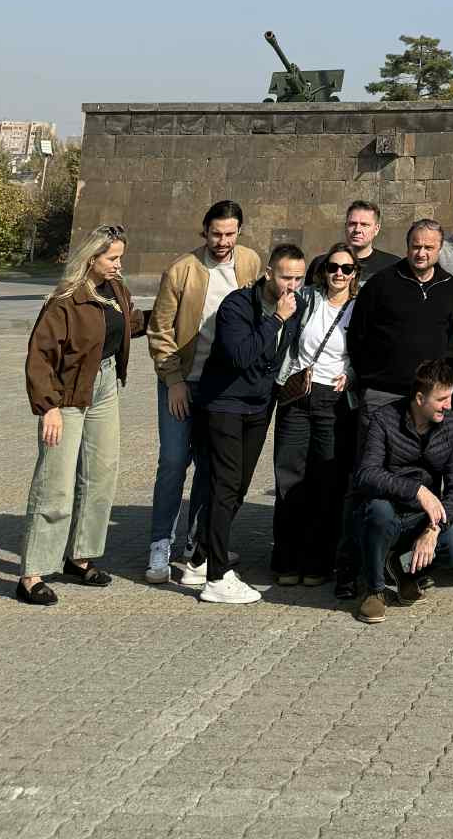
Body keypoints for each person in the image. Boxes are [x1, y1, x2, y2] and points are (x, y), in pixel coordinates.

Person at [18, 223, 146, 607]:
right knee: (55, 483)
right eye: (112, 258)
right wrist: (49, 407)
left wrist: (172, 311)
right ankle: (32, 574)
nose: (118, 265)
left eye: (120, 258)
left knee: (101, 474)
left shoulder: (116, 290)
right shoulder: (64, 301)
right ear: (91, 258)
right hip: (66, 395)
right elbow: (40, 357)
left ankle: (79, 557)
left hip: (104, 388)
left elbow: (129, 324)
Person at [144, 198, 261, 586]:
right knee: (174, 461)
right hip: (181, 381)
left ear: (239, 232)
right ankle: (160, 543)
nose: (222, 241)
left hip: (221, 387)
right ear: (204, 232)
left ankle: (198, 543)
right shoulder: (181, 270)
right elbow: (159, 330)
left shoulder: (250, 263)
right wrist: (174, 380)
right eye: (215, 234)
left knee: (210, 465)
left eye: (229, 234)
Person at [191, 241, 307, 605]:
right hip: (224, 404)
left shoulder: (297, 305)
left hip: (259, 405)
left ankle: (201, 556)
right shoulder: (237, 305)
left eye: (299, 279)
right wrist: (277, 320)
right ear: (268, 273)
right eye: (286, 277)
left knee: (238, 486)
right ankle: (216, 577)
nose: (292, 286)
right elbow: (240, 356)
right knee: (225, 486)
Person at [350, 357, 453, 624]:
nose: (448, 405)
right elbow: (366, 474)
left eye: (450, 397)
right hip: (384, 512)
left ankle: (404, 570)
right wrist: (417, 490)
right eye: (441, 399)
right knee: (379, 511)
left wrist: (434, 529)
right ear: (419, 398)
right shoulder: (384, 419)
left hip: (422, 518)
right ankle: (375, 590)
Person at [270, 244, 357, 585]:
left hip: (332, 401)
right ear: (324, 271)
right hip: (297, 395)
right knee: (290, 477)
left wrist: (351, 373)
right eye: (333, 267)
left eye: (347, 268)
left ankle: (318, 561)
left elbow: (365, 349)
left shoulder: (358, 308)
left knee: (326, 480)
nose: (339, 274)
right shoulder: (307, 298)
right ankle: (287, 560)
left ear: (355, 273)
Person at [346, 220, 453, 410]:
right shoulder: (381, 283)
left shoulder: (449, 287)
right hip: (382, 394)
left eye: (428, 248)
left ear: (440, 248)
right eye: (416, 246)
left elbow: (451, 340)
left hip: (428, 396)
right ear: (407, 246)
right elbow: (357, 334)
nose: (421, 253)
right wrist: (368, 376)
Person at [305, 200, 399, 286]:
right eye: (352, 224)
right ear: (345, 226)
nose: (357, 230)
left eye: (364, 225)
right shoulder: (321, 263)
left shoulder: (393, 265)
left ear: (376, 229)